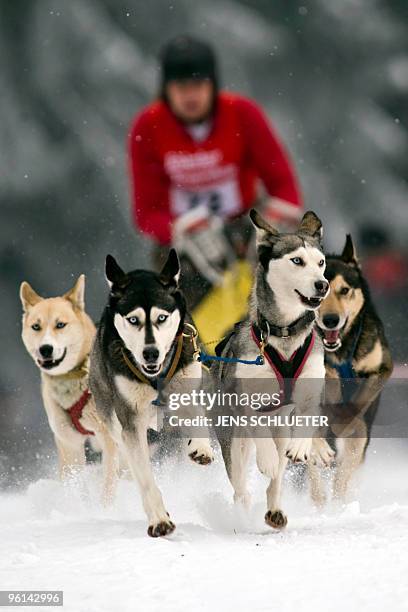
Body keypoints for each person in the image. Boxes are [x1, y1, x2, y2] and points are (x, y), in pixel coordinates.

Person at [128, 35, 303, 334]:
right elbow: (146, 213)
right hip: (183, 245)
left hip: (245, 228)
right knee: (172, 314)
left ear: (213, 85)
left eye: (198, 85)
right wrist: (179, 228)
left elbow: (283, 186)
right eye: (181, 88)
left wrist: (274, 223)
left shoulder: (243, 115)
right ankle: (193, 359)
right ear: (166, 90)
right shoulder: (148, 128)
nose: (190, 96)